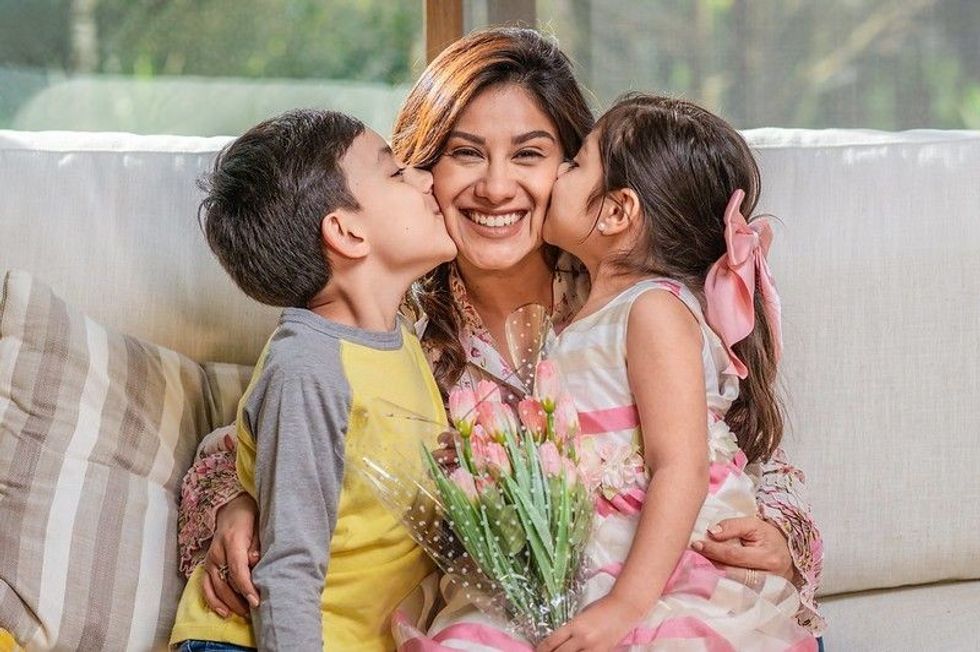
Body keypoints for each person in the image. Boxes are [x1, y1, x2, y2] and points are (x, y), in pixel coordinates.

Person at [177, 27, 825, 641]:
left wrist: (784, 542)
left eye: (529, 154)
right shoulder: (399, 337)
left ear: (580, 172)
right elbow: (243, 443)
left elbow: (734, 459)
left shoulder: (632, 302)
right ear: (424, 170)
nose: (494, 186)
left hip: (674, 606)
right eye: (465, 154)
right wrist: (239, 505)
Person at [533, 93, 818, 650]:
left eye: (574, 163)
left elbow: (680, 465)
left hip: (667, 567)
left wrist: (625, 605)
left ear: (617, 212)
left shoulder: (653, 310)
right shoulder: (582, 312)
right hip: (604, 553)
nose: (557, 175)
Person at [168, 108, 457, 651]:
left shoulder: (405, 347)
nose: (426, 177)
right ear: (346, 232)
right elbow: (290, 570)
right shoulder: (308, 367)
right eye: (396, 173)